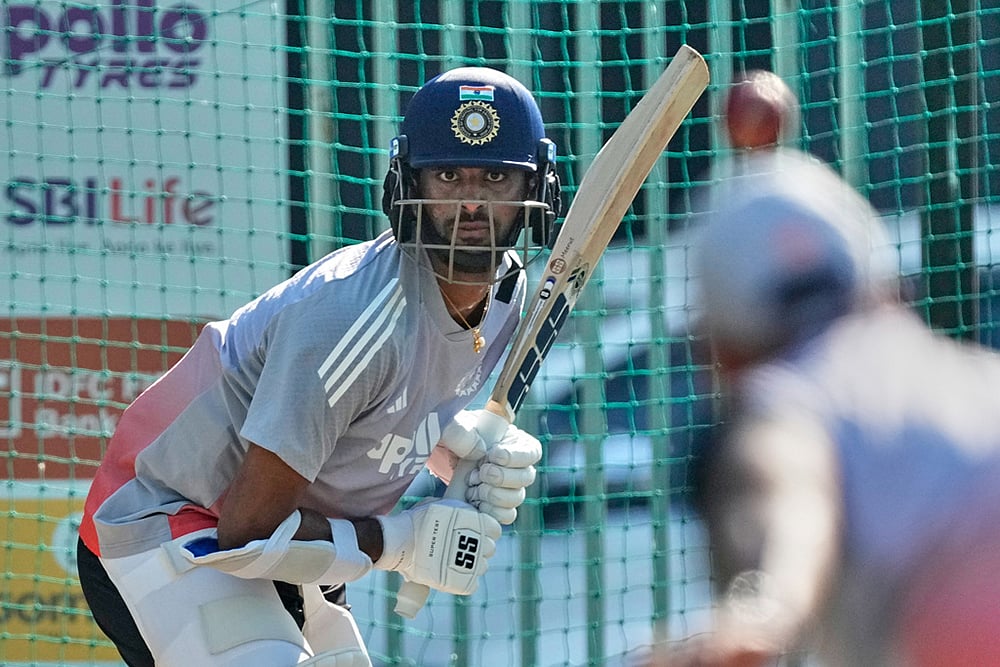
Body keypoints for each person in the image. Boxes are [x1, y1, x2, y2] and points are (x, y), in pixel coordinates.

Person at [77, 66, 561, 667]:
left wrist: (454, 446)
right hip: (170, 519)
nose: (470, 202)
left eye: (494, 176)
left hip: (291, 532)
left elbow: (386, 402)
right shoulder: (349, 320)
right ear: (406, 184)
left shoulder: (509, 295)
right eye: (446, 174)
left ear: (533, 186)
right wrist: (401, 542)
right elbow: (246, 528)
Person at [639, 149, 1000, 666]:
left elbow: (789, 495)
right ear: (888, 291)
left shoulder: (783, 410)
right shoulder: (982, 378)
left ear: (715, 348)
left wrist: (762, 609)